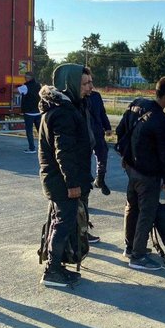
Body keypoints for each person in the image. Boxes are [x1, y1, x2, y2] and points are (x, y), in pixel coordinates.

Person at [116, 76, 165, 271]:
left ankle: (130, 247)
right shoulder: (161, 120)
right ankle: (138, 256)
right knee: (147, 212)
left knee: (132, 207)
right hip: (148, 174)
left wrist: (127, 156)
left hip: (131, 168)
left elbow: (120, 130)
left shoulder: (137, 104)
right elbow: (164, 153)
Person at [38, 64, 94, 288]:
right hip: (61, 181)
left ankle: (57, 266)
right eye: (85, 83)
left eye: (90, 82)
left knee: (61, 221)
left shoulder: (69, 107)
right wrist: (72, 183)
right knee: (63, 222)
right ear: (70, 84)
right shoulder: (63, 112)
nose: (90, 88)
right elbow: (64, 152)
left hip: (61, 179)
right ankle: (52, 270)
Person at [88, 88, 112, 196]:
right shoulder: (78, 98)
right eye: (87, 82)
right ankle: (84, 191)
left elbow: (102, 112)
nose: (90, 85)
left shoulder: (96, 96)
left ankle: (100, 179)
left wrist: (107, 127)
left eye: (91, 82)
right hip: (85, 133)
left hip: (97, 131)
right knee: (84, 160)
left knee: (103, 154)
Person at [18, 71, 41, 154]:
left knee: (29, 131)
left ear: (28, 78)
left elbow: (16, 90)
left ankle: (32, 148)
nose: (24, 78)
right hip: (38, 112)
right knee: (41, 131)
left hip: (29, 113)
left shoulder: (25, 86)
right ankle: (45, 148)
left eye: (25, 77)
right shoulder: (39, 85)